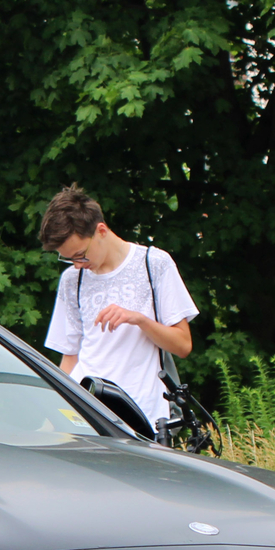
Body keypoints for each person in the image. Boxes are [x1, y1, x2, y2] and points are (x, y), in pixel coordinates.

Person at [38, 185, 197, 436]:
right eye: (69, 259)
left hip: (144, 417)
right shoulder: (72, 280)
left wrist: (140, 320)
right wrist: (51, 411)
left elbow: (183, 345)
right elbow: (70, 356)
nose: (78, 265)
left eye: (80, 255)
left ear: (101, 230)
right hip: (87, 417)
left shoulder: (154, 264)